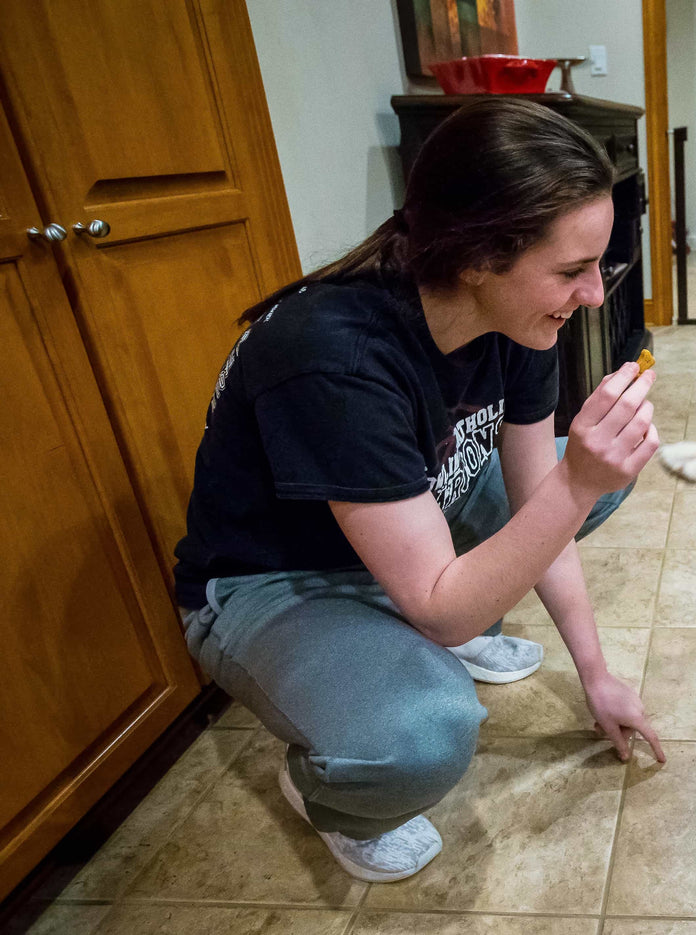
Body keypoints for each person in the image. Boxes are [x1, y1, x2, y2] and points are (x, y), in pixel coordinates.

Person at [173, 98, 664, 884]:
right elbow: (450, 598)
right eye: (570, 271)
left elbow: (540, 489)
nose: (593, 297)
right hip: (269, 580)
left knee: (586, 482)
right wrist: (571, 490)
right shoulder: (334, 355)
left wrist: (596, 671)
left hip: (401, 530)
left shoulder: (515, 319)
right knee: (426, 729)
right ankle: (323, 788)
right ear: (474, 257)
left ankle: (410, 618)